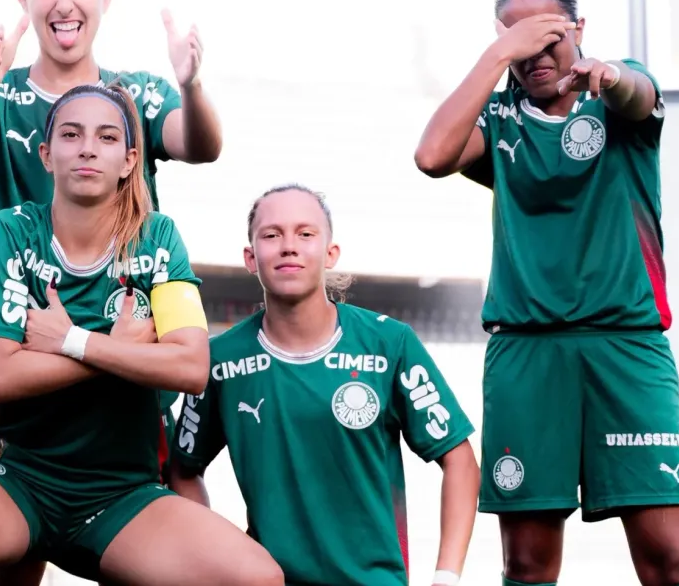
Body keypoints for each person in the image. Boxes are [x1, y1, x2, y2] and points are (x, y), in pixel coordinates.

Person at [0, 84, 283, 586]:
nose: (86, 147)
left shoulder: (158, 237)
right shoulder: (11, 232)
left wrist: (71, 340)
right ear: (46, 153)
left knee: (256, 579)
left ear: (128, 161)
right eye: (71, 134)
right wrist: (123, 351)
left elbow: (189, 367)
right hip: (13, 475)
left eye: (105, 138)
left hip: (119, 494)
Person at [0, 0, 219, 514]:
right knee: (3, 548)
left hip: (123, 356)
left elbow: (200, 146)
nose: (65, 3)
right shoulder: (1, 93)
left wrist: (192, 84)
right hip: (25, 347)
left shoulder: (135, 95)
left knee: (137, 535)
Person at [415, 0, 679, 586]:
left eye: (548, 38)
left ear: (578, 29)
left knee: (672, 558)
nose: (534, 55)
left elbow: (638, 95)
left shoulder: (614, 90)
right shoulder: (497, 117)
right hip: (527, 353)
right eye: (517, 41)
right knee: (528, 565)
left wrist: (611, 74)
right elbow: (431, 157)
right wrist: (495, 57)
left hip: (626, 346)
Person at [170, 185, 480, 586]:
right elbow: (183, 470)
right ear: (250, 258)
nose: (288, 246)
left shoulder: (389, 345)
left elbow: (460, 461)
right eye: (271, 235)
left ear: (331, 253)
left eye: (305, 233)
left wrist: (446, 576)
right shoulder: (220, 361)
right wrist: (219, 557)